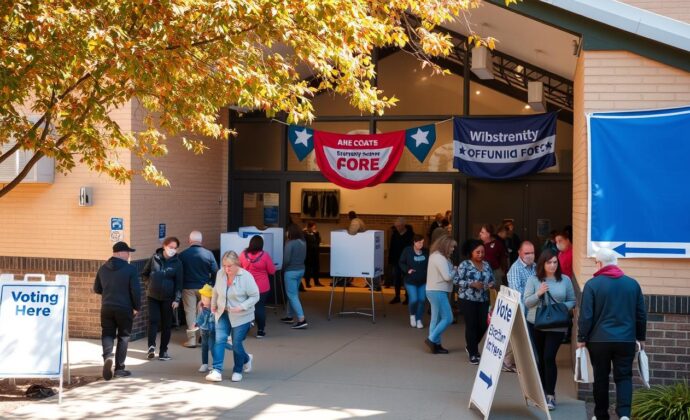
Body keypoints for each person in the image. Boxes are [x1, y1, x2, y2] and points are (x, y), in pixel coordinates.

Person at [578, 248, 646, 420]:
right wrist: (641, 337)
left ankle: (601, 415)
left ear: (599, 264)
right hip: (626, 340)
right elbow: (641, 314)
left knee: (600, 378)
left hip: (599, 341)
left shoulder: (592, 285)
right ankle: (624, 415)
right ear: (616, 263)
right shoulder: (632, 284)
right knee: (624, 377)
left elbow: (586, 316)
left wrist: (581, 338)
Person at [523, 249, 576, 411]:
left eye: (555, 262)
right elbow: (527, 303)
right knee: (539, 359)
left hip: (557, 325)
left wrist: (558, 307)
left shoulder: (565, 280)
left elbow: (572, 300)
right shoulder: (533, 280)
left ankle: (550, 395)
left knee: (549, 357)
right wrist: (539, 293)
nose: (553, 265)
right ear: (542, 264)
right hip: (536, 323)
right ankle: (540, 392)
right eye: (549, 262)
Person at [206, 251, 260, 382]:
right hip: (222, 312)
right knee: (220, 339)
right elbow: (215, 290)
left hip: (241, 315)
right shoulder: (220, 274)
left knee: (236, 343)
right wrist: (213, 305)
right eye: (224, 265)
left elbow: (255, 296)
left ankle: (239, 367)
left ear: (237, 264)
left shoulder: (246, 277)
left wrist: (241, 307)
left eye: (229, 266)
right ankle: (217, 370)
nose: (226, 269)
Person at [94, 241, 141, 380]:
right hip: (124, 308)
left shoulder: (102, 269)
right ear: (120, 253)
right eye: (127, 252)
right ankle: (119, 369)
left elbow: (97, 289)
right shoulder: (130, 269)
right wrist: (136, 307)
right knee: (123, 336)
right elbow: (135, 291)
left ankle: (108, 357)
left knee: (107, 334)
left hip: (107, 307)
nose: (128, 255)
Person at [142, 237, 183, 361]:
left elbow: (179, 282)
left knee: (166, 324)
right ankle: (151, 347)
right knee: (153, 320)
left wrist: (177, 299)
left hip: (168, 298)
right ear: (164, 246)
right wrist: (148, 284)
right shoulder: (154, 258)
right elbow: (144, 273)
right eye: (171, 247)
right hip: (153, 296)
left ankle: (163, 351)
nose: (173, 250)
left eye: (175, 248)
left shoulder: (177, 263)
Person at [455, 239, 494, 365]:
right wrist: (471, 284)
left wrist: (491, 284)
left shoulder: (487, 265)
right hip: (467, 299)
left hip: (483, 299)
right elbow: (456, 280)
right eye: (477, 252)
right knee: (471, 325)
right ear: (471, 253)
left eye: (482, 252)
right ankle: (473, 353)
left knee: (484, 324)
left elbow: (492, 279)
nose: (480, 254)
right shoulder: (465, 265)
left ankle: (470, 346)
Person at [178, 230, 219, 348]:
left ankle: (191, 340)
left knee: (190, 312)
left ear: (189, 240)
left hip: (188, 287)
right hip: (205, 288)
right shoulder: (209, 254)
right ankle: (203, 337)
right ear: (201, 241)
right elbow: (215, 271)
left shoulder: (183, 255)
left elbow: (179, 272)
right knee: (204, 312)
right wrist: (212, 284)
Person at [503, 241, 536, 372]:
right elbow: (518, 295)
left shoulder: (534, 266)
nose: (530, 256)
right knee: (520, 337)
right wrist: (523, 317)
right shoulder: (516, 269)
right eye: (527, 253)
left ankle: (516, 361)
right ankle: (507, 361)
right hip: (522, 310)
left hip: (533, 309)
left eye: (532, 253)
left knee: (526, 338)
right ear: (520, 253)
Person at [424, 235, 457, 354]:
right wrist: (455, 270)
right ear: (446, 245)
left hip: (434, 290)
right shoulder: (440, 258)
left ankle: (436, 345)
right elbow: (447, 277)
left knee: (436, 319)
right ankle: (432, 340)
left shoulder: (436, 256)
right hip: (438, 290)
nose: (453, 249)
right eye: (452, 246)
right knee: (448, 318)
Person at [239, 235, 276, 338]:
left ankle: (243, 330)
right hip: (262, 287)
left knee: (246, 307)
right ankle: (260, 331)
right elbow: (272, 271)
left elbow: (238, 268)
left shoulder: (243, 255)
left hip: (246, 286)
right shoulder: (265, 256)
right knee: (259, 307)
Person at [193, 284, 232, 372]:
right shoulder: (202, 307)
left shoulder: (215, 309)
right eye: (202, 298)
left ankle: (216, 364)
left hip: (213, 331)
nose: (203, 300)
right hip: (204, 330)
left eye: (205, 298)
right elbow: (200, 317)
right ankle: (205, 363)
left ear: (212, 299)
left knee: (213, 347)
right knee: (204, 347)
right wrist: (196, 323)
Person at [281, 224, 308, 329]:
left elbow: (286, 259)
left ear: (290, 232)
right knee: (293, 294)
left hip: (290, 272)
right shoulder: (303, 242)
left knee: (292, 295)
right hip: (301, 270)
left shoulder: (290, 243)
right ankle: (289, 316)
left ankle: (302, 319)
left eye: (287, 231)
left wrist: (282, 268)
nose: (286, 233)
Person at [399, 234, 428, 329]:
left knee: (422, 300)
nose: (421, 244)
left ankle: (419, 319)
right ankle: (412, 315)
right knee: (414, 299)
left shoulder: (426, 251)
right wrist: (408, 270)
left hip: (423, 280)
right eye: (419, 242)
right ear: (414, 242)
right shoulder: (407, 251)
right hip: (410, 280)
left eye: (422, 242)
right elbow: (401, 262)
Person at [388, 217, 414, 304]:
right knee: (397, 278)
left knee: (406, 279)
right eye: (396, 226)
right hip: (396, 260)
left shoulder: (410, 235)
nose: (397, 228)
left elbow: (412, 248)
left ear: (403, 225)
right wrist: (391, 259)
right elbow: (391, 248)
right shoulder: (394, 234)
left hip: (406, 261)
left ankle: (407, 297)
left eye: (399, 226)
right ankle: (397, 296)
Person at [479, 224, 508, 289]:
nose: (480, 233)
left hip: (495, 272)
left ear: (488, 234)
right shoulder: (479, 244)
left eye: (482, 232)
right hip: (481, 272)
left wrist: (503, 271)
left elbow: (504, 258)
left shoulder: (497, 244)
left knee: (495, 293)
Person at [303, 221, 323, 287]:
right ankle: (307, 283)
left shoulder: (315, 234)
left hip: (315, 254)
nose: (314, 229)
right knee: (308, 269)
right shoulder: (305, 234)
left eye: (315, 227)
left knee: (316, 268)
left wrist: (317, 234)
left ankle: (316, 282)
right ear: (309, 227)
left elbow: (318, 242)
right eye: (313, 227)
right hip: (308, 254)